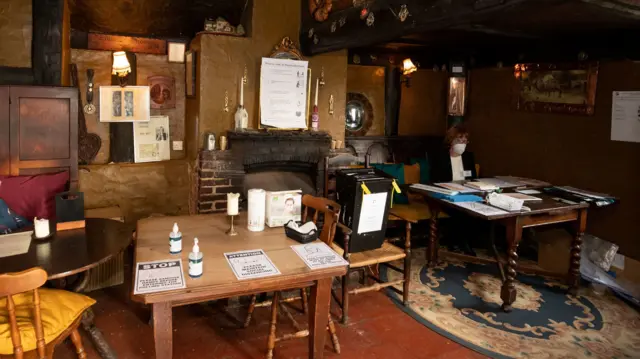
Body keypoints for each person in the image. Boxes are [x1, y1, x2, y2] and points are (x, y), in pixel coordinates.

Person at [431, 125, 480, 255]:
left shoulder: (468, 157)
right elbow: (435, 179)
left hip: (465, 193)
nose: (462, 143)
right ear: (451, 140)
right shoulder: (440, 157)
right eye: (459, 139)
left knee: (475, 208)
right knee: (459, 210)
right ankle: (458, 242)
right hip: (446, 194)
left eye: (465, 140)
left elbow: (473, 178)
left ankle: (462, 241)